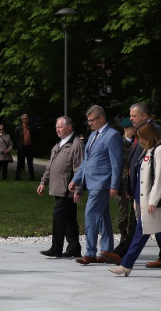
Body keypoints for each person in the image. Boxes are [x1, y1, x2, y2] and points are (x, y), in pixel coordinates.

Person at [108, 123, 161, 277]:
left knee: (141, 232)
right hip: (146, 201)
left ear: (149, 136)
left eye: (141, 137)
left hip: (155, 203)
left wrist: (153, 201)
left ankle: (126, 265)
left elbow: (160, 178)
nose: (140, 141)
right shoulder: (149, 149)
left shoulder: (160, 150)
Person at [68, 105, 122, 264]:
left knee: (90, 216)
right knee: (103, 219)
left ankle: (90, 252)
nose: (89, 124)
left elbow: (116, 164)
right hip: (91, 182)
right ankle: (107, 251)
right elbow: (86, 161)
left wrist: (114, 185)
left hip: (102, 183)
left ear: (101, 119)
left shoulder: (112, 136)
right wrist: (76, 179)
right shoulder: (92, 136)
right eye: (88, 121)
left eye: (92, 120)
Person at [126, 102, 161, 269]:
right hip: (140, 189)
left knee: (142, 228)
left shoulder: (155, 133)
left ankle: (125, 261)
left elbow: (158, 173)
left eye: (134, 116)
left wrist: (152, 199)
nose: (131, 119)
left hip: (149, 192)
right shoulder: (140, 132)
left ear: (144, 116)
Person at [37, 116, 83, 258]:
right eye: (56, 127)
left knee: (58, 215)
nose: (57, 129)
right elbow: (50, 166)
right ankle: (74, 247)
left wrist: (78, 189)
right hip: (57, 188)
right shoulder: (59, 144)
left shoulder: (76, 144)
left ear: (69, 127)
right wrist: (43, 182)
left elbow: (79, 168)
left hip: (67, 189)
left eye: (60, 127)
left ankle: (56, 248)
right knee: (69, 219)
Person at [101, 118, 138, 264]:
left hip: (134, 182)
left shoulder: (138, 142)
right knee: (122, 212)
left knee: (134, 214)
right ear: (125, 129)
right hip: (122, 182)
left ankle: (128, 242)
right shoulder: (119, 143)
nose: (134, 130)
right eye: (131, 128)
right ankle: (123, 237)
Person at [14, 114, 36, 181]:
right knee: (20, 163)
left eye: (27, 118)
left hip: (29, 147)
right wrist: (18, 147)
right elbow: (15, 138)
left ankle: (32, 177)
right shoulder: (18, 128)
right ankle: (18, 177)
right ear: (22, 120)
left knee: (30, 163)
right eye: (25, 118)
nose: (27, 119)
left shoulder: (30, 127)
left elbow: (34, 137)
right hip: (21, 147)